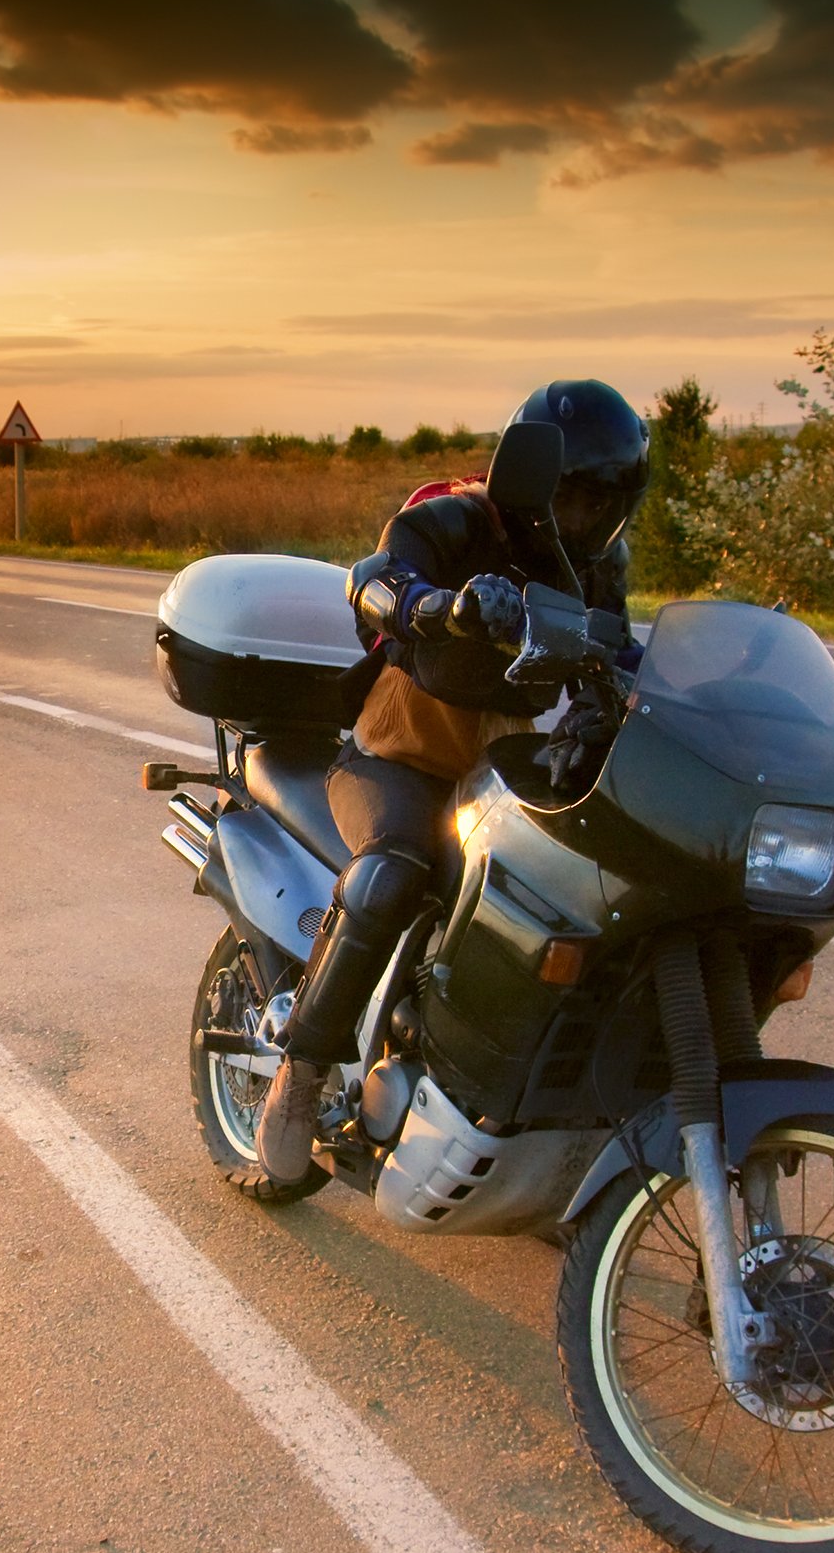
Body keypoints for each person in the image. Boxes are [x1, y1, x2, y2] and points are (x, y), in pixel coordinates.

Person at [255, 379, 650, 1184]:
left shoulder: (597, 566)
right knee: (393, 870)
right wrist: (439, 607)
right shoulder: (457, 518)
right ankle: (300, 1075)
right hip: (394, 758)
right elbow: (374, 577)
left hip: (497, 778)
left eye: (601, 504)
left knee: (565, 906)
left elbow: (624, 651)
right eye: (572, 498)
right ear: (535, 482)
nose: (583, 521)